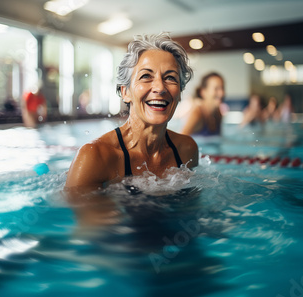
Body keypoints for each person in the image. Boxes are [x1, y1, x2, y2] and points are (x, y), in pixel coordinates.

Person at [65, 33, 199, 192]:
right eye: (146, 76)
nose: (160, 88)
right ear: (125, 92)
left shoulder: (186, 150)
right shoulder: (95, 157)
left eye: (170, 78)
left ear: (180, 93)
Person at [180, 72, 225, 136]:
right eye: (216, 89)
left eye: (222, 88)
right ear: (203, 92)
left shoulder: (218, 113)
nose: (221, 93)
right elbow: (181, 139)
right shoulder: (198, 113)